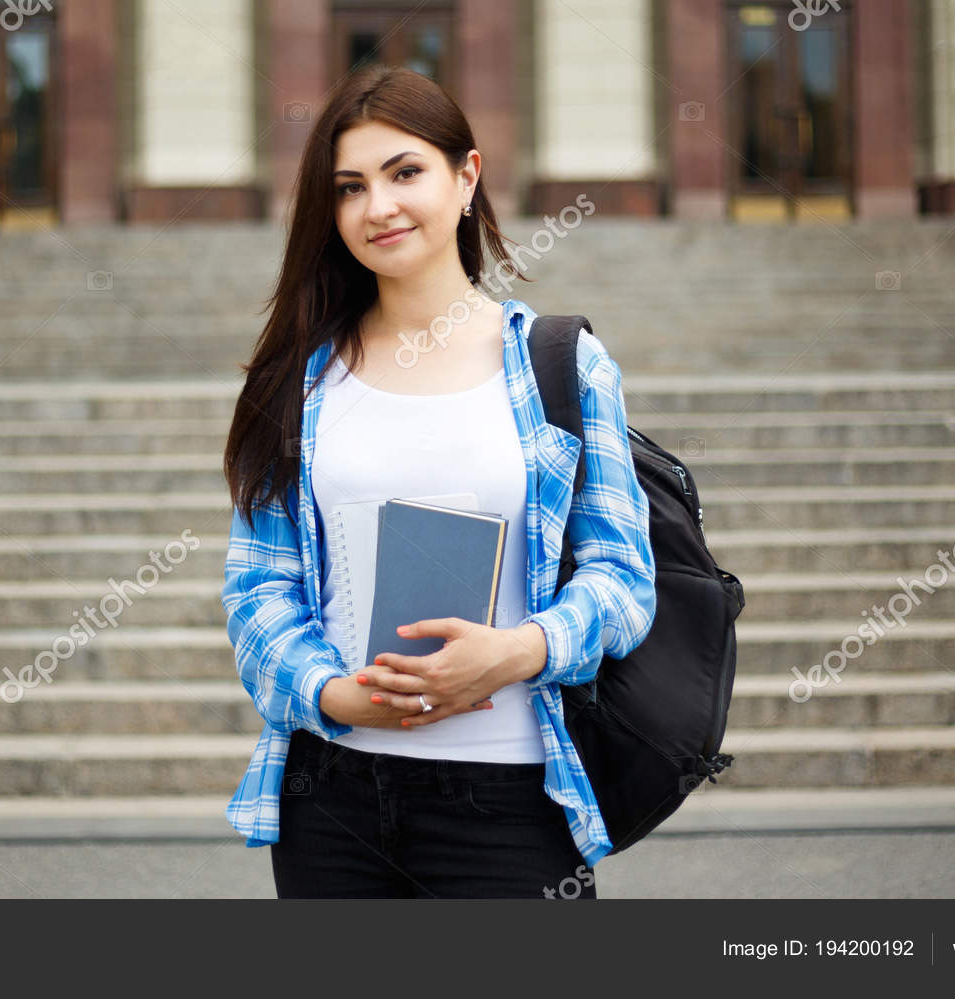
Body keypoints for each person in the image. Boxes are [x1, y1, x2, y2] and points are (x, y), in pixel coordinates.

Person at [219, 64, 656, 899]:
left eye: (405, 172)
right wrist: (333, 693)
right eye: (349, 186)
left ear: (467, 177)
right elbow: (257, 589)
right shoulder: (299, 383)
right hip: (333, 800)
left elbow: (626, 580)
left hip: (511, 800)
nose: (377, 206)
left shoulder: (561, 365)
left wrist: (516, 652)